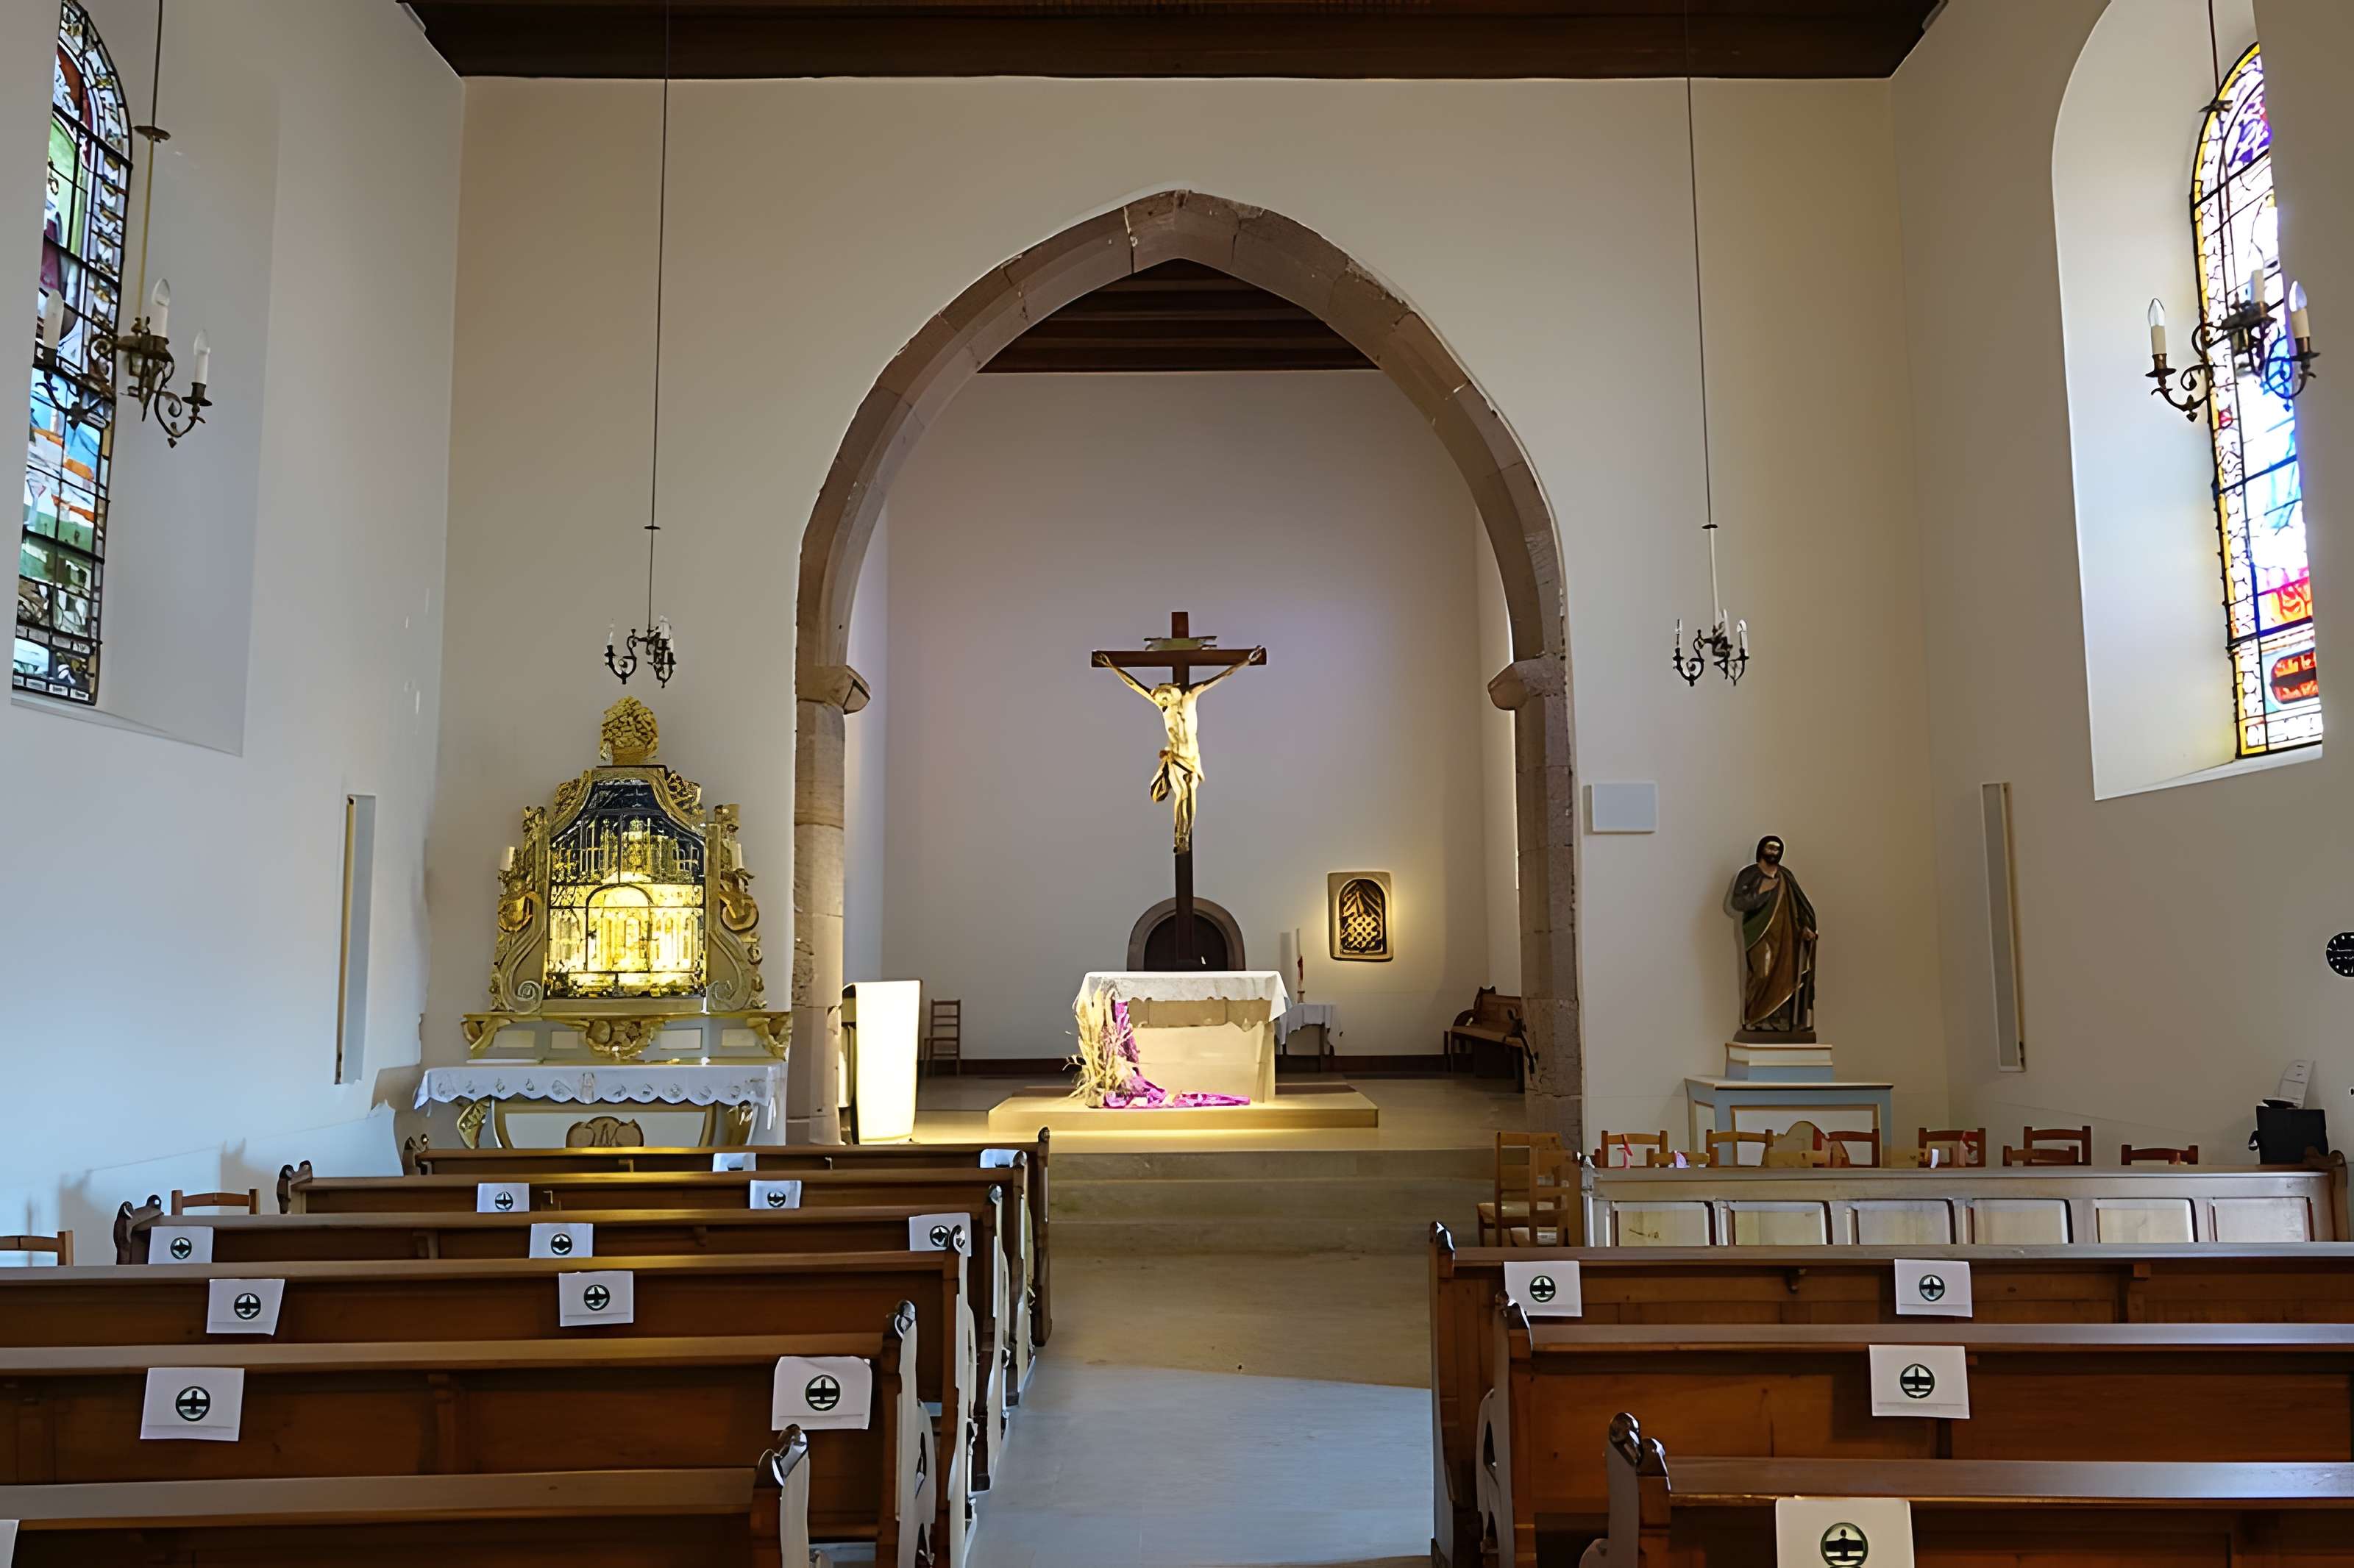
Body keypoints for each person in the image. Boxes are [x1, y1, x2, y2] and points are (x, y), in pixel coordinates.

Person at [1098, 649, 1262, 852]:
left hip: (1191, 756)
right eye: (1161, 703)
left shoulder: (1190, 695)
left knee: (1189, 792)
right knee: (1181, 794)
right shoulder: (1161, 703)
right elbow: (1134, 685)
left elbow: (1222, 676)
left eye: (1164, 701)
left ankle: (1186, 833)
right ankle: (1179, 836)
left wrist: (1246, 661)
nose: (1163, 706)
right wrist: (1112, 666)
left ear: (1170, 691)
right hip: (1175, 756)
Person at [1728, 834, 1818, 1038]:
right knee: (1761, 974)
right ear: (1761, 850)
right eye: (1770, 848)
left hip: (1787, 937)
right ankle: (1757, 1018)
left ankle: (1780, 1020)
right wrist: (1761, 891)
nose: (1773, 853)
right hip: (1760, 935)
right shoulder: (1750, 874)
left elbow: (1799, 905)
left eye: (1777, 849)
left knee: (1786, 978)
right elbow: (1738, 902)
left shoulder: (1786, 876)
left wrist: (1806, 927)